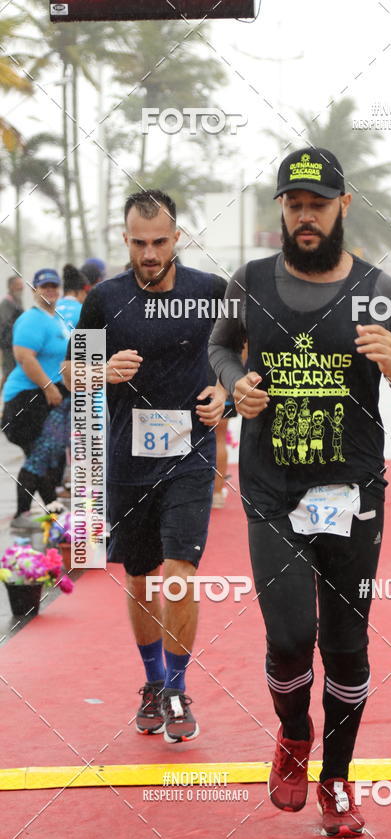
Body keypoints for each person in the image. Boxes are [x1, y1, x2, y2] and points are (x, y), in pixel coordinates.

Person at [209, 147, 391, 837]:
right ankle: (292, 735)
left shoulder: (381, 292)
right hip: (272, 490)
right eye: (294, 203)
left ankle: (336, 778)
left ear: (343, 205)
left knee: (345, 646)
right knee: (289, 637)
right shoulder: (249, 281)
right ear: (282, 208)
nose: (305, 216)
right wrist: (234, 385)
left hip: (352, 494)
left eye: (318, 202)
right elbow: (221, 347)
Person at [63, 189, 227, 742]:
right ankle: (154, 681)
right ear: (125, 238)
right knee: (141, 578)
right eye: (139, 243)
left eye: (160, 242)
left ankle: (178, 689)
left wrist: (225, 389)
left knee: (180, 574)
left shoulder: (210, 293)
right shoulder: (105, 299)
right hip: (127, 457)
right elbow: (69, 374)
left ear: (178, 236)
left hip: (190, 453)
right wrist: (99, 369)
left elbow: (245, 354)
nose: (150, 253)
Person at [1, 269, 70, 528]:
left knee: (45, 458)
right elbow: (24, 356)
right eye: (45, 286)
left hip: (47, 400)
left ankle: (46, 513)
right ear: (34, 290)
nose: (50, 290)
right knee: (39, 457)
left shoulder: (56, 319)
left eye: (54, 286)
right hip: (25, 399)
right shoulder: (31, 319)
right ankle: (26, 514)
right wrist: (49, 387)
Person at [0, 275, 24, 388]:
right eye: (18, 285)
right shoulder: (6, 302)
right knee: (8, 372)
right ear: (11, 286)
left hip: (16, 342)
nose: (22, 287)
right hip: (8, 343)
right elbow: (6, 323)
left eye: (22, 285)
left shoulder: (17, 301)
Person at [56, 264, 89, 337]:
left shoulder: (49, 309)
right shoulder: (86, 311)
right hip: (74, 347)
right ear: (81, 291)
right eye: (87, 292)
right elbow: (92, 346)